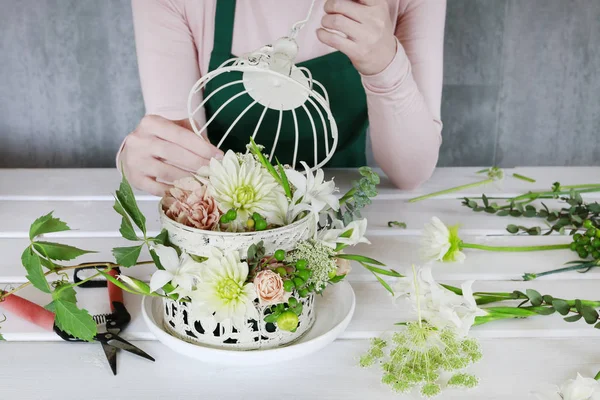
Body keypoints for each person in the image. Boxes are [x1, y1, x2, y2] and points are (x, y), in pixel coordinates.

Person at [119, 0, 446, 195]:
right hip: (226, 226)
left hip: (347, 219)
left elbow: (411, 173)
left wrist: (385, 67)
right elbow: (175, 154)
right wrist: (145, 159)